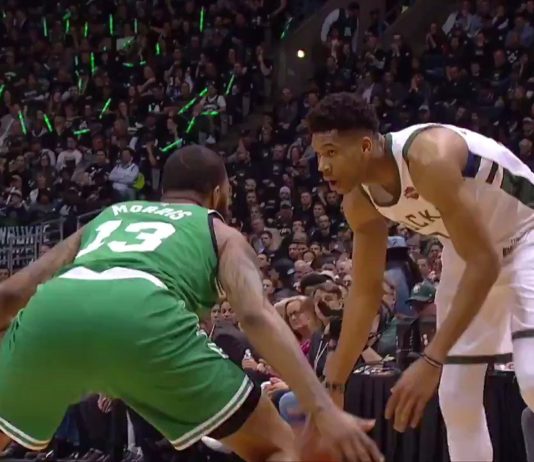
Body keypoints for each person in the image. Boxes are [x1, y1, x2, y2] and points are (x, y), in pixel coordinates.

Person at [0, 145, 383, 462]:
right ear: (217, 192)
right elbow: (254, 314)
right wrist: (321, 407)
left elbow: (12, 295)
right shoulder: (221, 231)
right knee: (276, 447)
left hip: (51, 313)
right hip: (147, 314)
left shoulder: (109, 216)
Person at [307, 91, 534, 462]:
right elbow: (364, 293)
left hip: (526, 234)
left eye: (331, 152)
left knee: (532, 378)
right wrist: (334, 383)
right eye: (318, 155)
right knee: (456, 398)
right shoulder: (360, 201)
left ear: (365, 146)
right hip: (468, 251)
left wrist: (431, 360)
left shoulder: (428, 157)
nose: (322, 166)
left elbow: (486, 262)